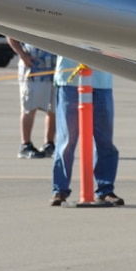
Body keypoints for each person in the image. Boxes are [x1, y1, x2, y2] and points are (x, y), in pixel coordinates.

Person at [50, 55, 122, 206]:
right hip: (69, 79)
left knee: (105, 140)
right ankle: (60, 190)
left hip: (101, 81)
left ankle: (105, 189)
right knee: (67, 139)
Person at [5, 37, 56, 159]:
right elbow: (10, 36)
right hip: (32, 70)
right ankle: (25, 144)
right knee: (29, 108)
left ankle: (49, 143)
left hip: (54, 70)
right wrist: (22, 55)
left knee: (53, 109)